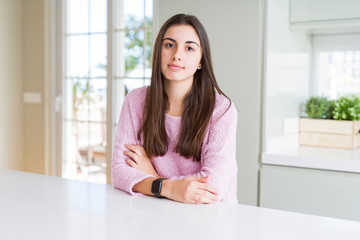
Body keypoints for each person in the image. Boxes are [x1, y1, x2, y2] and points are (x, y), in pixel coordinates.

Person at [112, 14, 238, 204]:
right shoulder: (135, 101)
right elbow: (120, 172)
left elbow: (211, 189)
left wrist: (154, 178)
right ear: (158, 52)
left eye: (189, 48)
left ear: (201, 61)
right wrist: (169, 188)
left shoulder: (221, 110)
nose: (177, 55)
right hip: (155, 216)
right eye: (169, 45)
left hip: (209, 222)